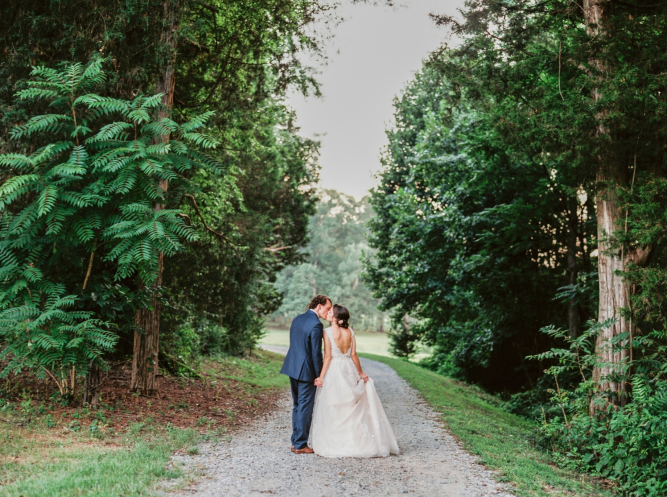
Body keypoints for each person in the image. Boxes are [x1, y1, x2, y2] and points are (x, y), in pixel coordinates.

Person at [309, 304, 399, 458]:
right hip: (349, 368)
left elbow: (328, 357)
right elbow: (354, 355)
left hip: (335, 370)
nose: (328, 313)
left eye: (331, 312)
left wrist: (321, 376)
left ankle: (338, 441)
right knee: (353, 405)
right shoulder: (350, 332)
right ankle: (356, 440)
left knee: (335, 404)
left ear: (336, 319)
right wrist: (361, 373)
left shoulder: (327, 332)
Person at [280, 294, 332, 454]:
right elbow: (316, 353)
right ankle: (301, 445)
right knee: (305, 408)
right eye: (328, 308)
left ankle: (296, 442)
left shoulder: (297, 319)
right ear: (319, 306)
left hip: (292, 367)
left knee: (297, 406)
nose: (328, 312)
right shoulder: (316, 324)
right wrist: (319, 375)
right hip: (306, 371)